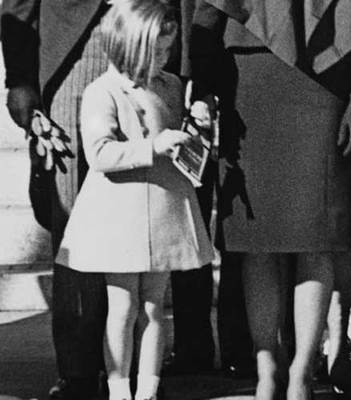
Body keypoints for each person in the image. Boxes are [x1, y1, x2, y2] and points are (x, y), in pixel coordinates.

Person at [189, 1, 351, 399]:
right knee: (257, 243)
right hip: (248, 75)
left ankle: (302, 371)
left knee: (315, 236)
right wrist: (201, 88)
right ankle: (267, 364)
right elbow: (207, 14)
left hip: (325, 80)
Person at [54, 1, 214, 399]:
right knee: (122, 306)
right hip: (118, 218)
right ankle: (119, 387)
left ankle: (148, 388)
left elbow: (186, 143)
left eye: (166, 50)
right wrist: (152, 146)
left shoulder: (171, 86)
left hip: (162, 211)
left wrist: (199, 127)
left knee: (154, 307)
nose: (162, 59)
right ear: (127, 46)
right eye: (154, 51)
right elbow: (100, 152)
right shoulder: (101, 91)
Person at [1, 0, 112, 398]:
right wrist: (20, 78)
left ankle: (131, 369)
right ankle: (80, 369)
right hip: (72, 56)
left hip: (149, 46)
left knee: (139, 215)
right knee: (75, 224)